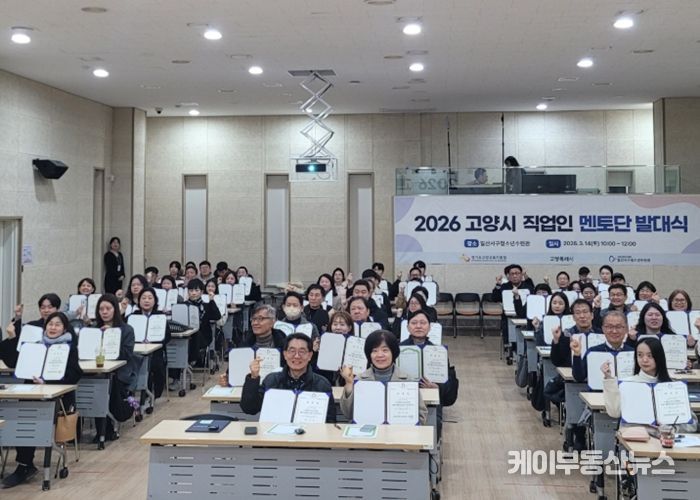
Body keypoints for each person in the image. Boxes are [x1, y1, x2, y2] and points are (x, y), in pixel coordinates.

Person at [0, 312, 83, 489]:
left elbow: (75, 374)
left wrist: (47, 382)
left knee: (30, 421)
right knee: (19, 419)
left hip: (57, 397)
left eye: (57, 324)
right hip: (30, 394)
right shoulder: (34, 345)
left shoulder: (69, 348)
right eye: (50, 324)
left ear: (64, 329)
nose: (53, 327)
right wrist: (12, 338)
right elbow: (13, 362)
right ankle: (25, 465)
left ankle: (25, 465)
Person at [240, 333, 336, 422]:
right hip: (275, 432)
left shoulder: (322, 385)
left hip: (310, 433)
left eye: (302, 351)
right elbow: (249, 408)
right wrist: (253, 377)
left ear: (310, 355)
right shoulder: (272, 381)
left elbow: (330, 421)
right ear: (285, 354)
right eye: (292, 351)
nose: (297, 356)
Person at [603, 337, 696, 430]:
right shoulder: (627, 384)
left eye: (650, 356)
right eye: (640, 355)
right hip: (634, 436)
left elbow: (692, 425)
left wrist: (672, 430)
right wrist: (608, 379)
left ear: (659, 357)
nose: (644, 360)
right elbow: (614, 412)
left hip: (666, 436)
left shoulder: (673, 386)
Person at [339, 329, 427, 424]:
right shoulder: (359, 380)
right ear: (369, 355)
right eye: (375, 351)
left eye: (385, 350)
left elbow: (421, 416)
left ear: (393, 352)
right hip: (367, 430)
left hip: (399, 431)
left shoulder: (408, 381)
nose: (380, 355)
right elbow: (348, 414)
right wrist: (349, 383)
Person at [94, 294, 138, 441]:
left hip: (120, 372)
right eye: (101, 309)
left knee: (105, 384)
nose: (104, 312)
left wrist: (111, 336)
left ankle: (104, 430)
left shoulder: (127, 330)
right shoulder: (93, 329)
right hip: (97, 371)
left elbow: (126, 354)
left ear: (115, 310)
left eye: (108, 308)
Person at [128, 288, 171, 402]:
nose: (146, 300)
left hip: (155, 351)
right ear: (139, 301)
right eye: (143, 298)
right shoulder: (133, 316)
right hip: (136, 351)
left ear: (155, 301)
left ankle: (152, 395)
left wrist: (155, 342)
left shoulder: (160, 316)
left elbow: (167, 336)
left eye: (150, 298)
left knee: (155, 365)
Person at [572, 310, 634, 383]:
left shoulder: (633, 352)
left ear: (626, 329)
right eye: (609, 327)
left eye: (618, 327)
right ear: (603, 329)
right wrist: (577, 354)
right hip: (598, 390)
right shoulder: (593, 352)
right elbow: (579, 378)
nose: (614, 331)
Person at [1, 294, 61, 368]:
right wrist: (17, 318)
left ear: (57, 309)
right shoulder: (32, 326)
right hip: (31, 368)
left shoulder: (65, 328)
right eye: (42, 307)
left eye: (50, 307)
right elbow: (17, 346)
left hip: (55, 367)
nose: (46, 310)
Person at [491, 264, 535, 363]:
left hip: (524, 315)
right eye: (512, 274)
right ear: (508, 276)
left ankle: (524, 350)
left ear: (521, 275)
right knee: (507, 326)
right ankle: (510, 349)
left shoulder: (527, 287)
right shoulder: (504, 286)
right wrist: (497, 284)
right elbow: (495, 298)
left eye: (517, 273)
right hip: (508, 316)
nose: (515, 276)